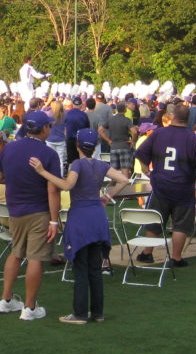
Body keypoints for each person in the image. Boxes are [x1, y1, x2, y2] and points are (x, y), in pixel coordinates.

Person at [32, 128, 128, 324]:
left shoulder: (77, 164)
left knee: (81, 267)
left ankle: (80, 313)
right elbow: (124, 179)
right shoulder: (100, 164)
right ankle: (98, 312)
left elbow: (68, 185)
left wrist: (43, 172)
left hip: (81, 217)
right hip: (97, 217)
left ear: (77, 146)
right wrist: (108, 196)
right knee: (94, 267)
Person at [0, 110, 60, 321]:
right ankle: (29, 307)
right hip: (38, 210)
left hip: (16, 210)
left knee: (16, 252)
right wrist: (54, 221)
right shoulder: (49, 153)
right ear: (44, 129)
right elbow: (53, 189)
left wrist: (15, 181)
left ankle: (6, 300)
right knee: (36, 257)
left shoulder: (11, 148)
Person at [133, 103, 196, 267]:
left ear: (173, 116)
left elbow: (140, 152)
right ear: (188, 119)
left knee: (155, 220)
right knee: (180, 224)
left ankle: (147, 253)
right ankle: (176, 258)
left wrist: (146, 168)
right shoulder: (192, 137)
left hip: (161, 184)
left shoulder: (159, 132)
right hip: (183, 186)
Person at [99, 102, 137, 178]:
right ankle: (125, 188)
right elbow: (134, 132)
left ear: (116, 110)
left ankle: (115, 188)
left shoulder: (111, 120)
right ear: (125, 110)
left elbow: (100, 130)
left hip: (113, 146)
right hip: (124, 146)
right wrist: (133, 141)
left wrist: (108, 140)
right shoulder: (127, 120)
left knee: (115, 173)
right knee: (125, 171)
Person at [63, 97, 91, 167]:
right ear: (81, 105)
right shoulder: (84, 115)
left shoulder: (68, 114)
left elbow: (65, 127)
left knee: (71, 162)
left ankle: (70, 176)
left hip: (70, 139)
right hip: (80, 140)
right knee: (81, 161)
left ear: (73, 104)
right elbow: (87, 128)